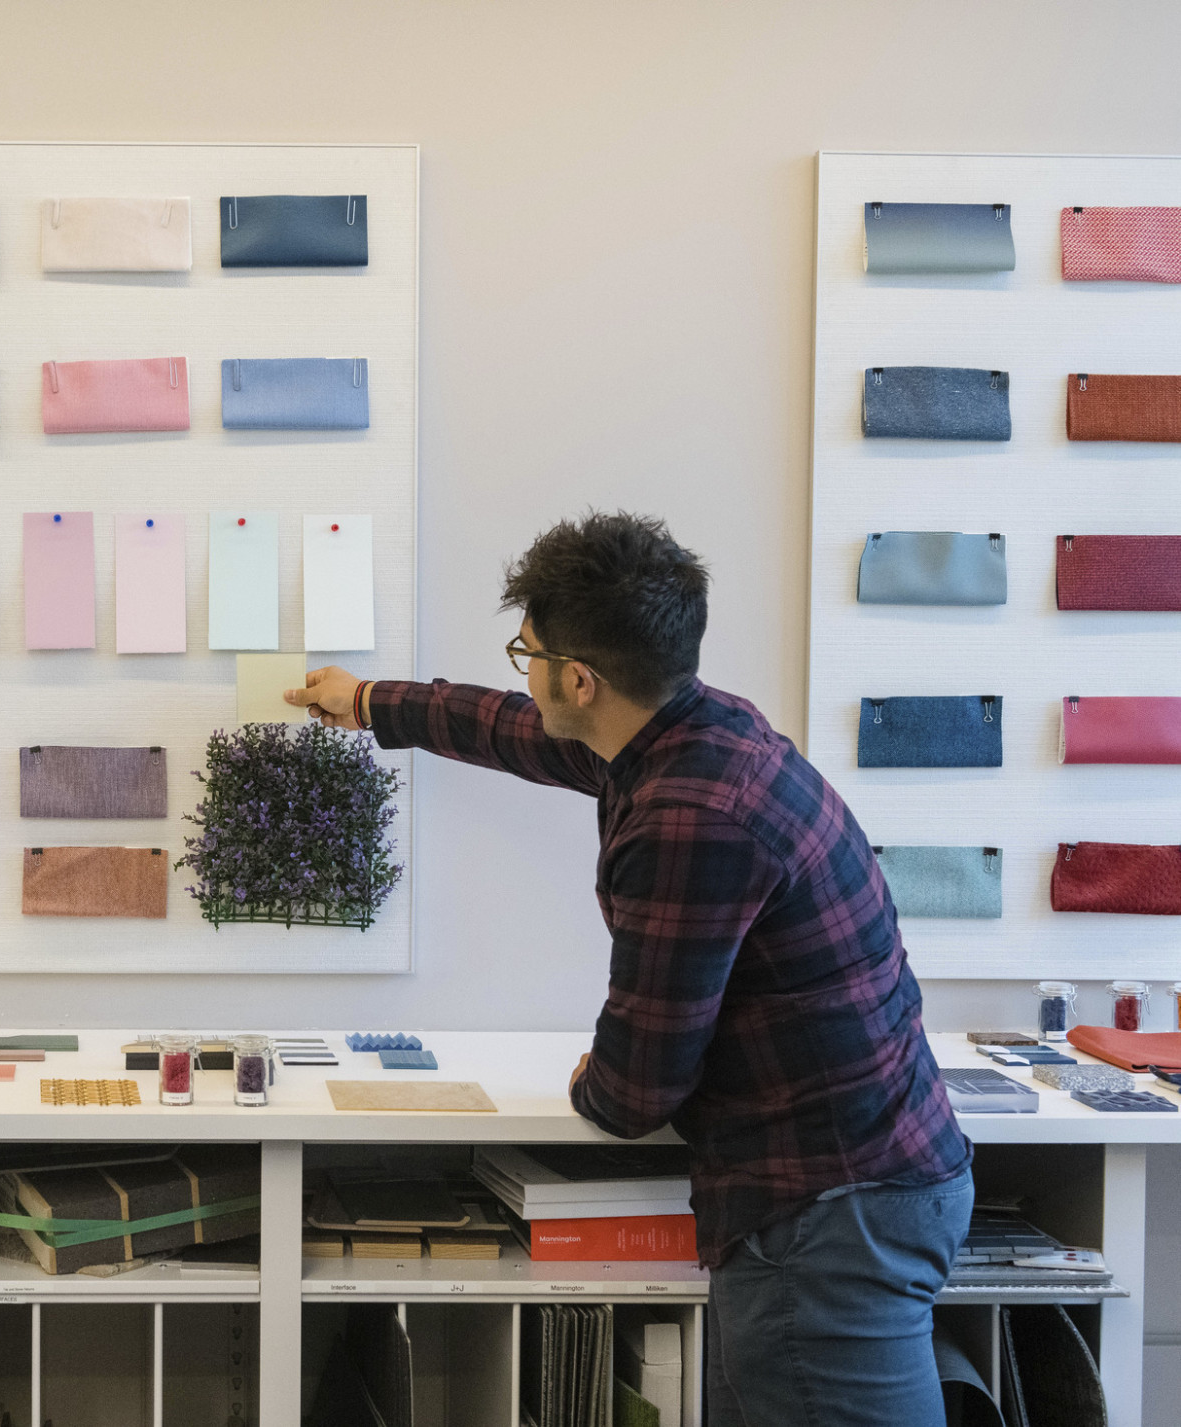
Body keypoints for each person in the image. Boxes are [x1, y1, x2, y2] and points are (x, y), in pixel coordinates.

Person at [290, 511, 973, 1427]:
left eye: (525, 651)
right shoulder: (695, 730)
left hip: (827, 1218)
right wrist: (370, 698)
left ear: (580, 678)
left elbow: (636, 1087)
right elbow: (510, 730)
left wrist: (598, 1083)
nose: (521, 671)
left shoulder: (690, 814)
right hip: (859, 1187)